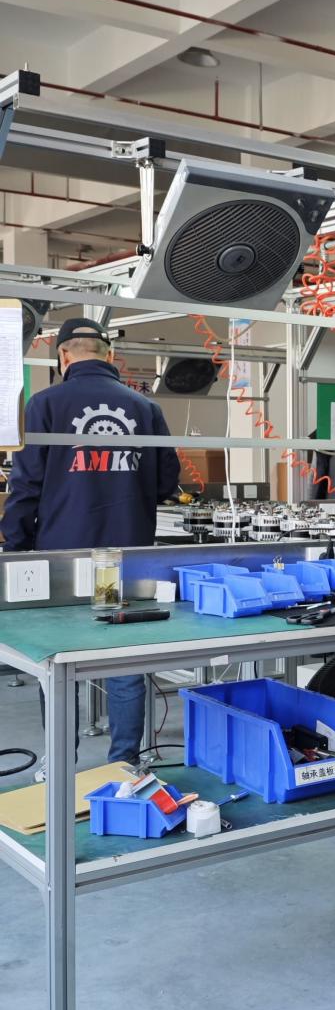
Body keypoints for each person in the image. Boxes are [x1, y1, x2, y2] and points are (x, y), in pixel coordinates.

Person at [2, 318, 181, 769]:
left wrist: (17, 548)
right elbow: (167, 483)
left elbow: (25, 487)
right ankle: (126, 767)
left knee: (58, 668)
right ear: (108, 356)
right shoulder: (145, 408)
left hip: (62, 561)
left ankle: (60, 767)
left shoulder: (43, 404)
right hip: (126, 560)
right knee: (123, 668)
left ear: (63, 356)